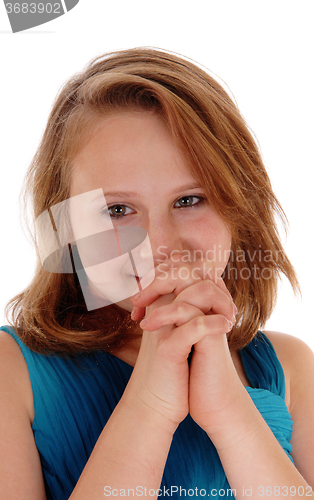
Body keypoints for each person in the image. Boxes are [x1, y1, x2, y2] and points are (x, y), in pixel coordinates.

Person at [0, 47, 313, 500]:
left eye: (189, 200)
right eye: (118, 210)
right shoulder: (11, 372)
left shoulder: (290, 367)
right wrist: (150, 405)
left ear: (238, 208)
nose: (160, 245)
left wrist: (230, 412)